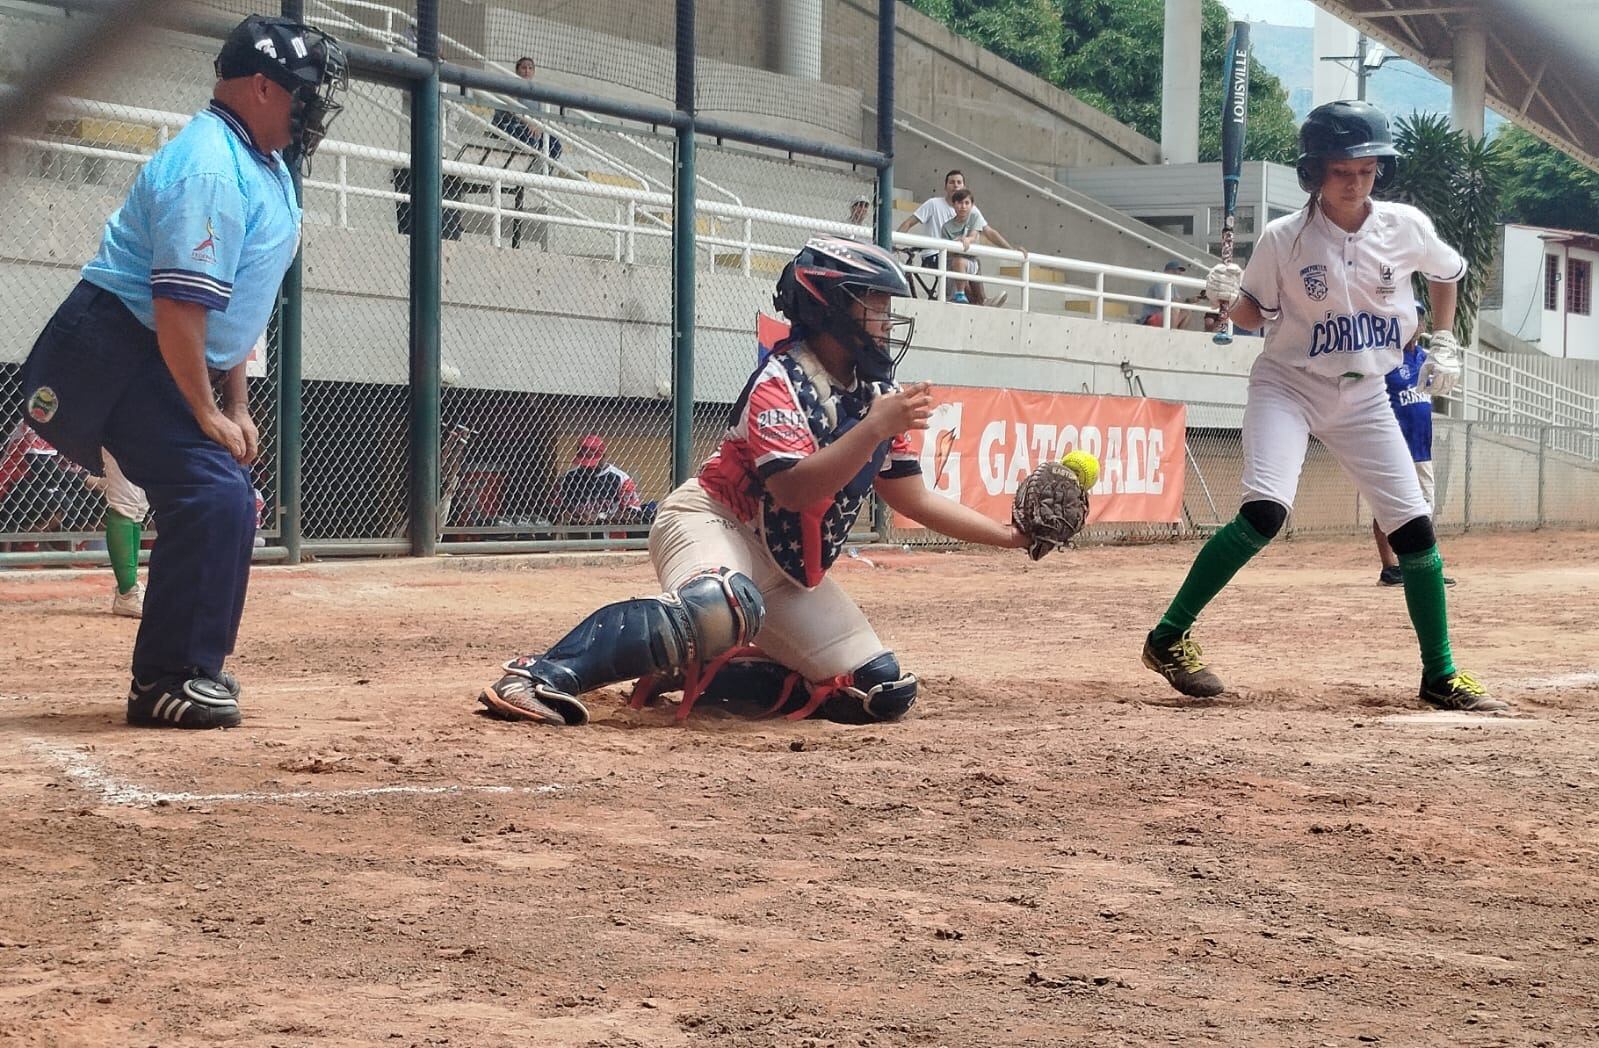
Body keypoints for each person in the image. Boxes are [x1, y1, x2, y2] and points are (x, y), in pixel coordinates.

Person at [478, 236, 1032, 727]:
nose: (885, 320)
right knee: (720, 601)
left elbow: (913, 496)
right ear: (831, 308)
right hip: (712, 520)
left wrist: (1010, 536)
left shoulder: (875, 394)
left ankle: (709, 662)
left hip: (786, 567)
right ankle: (539, 675)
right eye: (874, 304)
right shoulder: (781, 381)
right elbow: (793, 489)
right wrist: (873, 429)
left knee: (877, 690)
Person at [20, 14, 348, 729]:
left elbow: (238, 302)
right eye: (301, 92)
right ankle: (165, 680)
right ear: (261, 87)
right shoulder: (210, 164)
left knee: (229, 496)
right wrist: (205, 413)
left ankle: (191, 668)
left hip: (164, 350)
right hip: (112, 350)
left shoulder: (263, 163)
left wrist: (238, 402)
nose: (310, 108)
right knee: (211, 494)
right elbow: (178, 307)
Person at [1138, 100, 1505, 714]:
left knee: (1413, 527)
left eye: (1366, 168)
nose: (1356, 180)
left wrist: (1443, 339)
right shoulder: (1285, 239)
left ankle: (1440, 674)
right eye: (1341, 170)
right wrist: (1225, 297)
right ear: (1315, 173)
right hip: (1289, 384)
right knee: (1264, 514)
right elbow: (1255, 313)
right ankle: (1168, 638)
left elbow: (1448, 272)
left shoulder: (1405, 225)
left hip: (1365, 393)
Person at [1374, 305, 1456, 587]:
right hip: (1393, 446)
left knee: (1425, 508)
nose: (1417, 323)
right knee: (1386, 506)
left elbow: (1437, 388)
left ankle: (1425, 566)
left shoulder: (1424, 359)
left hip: (1422, 447)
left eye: (1420, 318)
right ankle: (1389, 567)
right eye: (1410, 317)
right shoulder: (1385, 358)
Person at [896, 170, 1019, 307]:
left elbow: (989, 232)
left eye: (959, 182)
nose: (955, 185)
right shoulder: (933, 204)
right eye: (951, 182)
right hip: (933, 256)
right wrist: (893, 242)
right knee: (959, 262)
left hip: (960, 253)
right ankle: (980, 302)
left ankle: (980, 301)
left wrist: (1011, 250)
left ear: (964, 186)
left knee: (970, 260)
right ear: (945, 186)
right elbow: (908, 223)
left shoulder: (971, 210)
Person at [82, 451, 151, 617]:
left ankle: (130, 587)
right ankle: (127, 591)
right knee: (126, 503)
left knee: (140, 505)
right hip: (123, 433)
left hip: (150, 435)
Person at [551, 434, 643, 526]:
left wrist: (600, 517)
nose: (588, 467)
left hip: (610, 534)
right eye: (584, 463)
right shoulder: (567, 478)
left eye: (592, 463)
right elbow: (553, 508)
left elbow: (633, 514)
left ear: (603, 456)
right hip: (576, 534)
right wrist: (567, 515)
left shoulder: (621, 479)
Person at [491, 56, 561, 161]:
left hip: (529, 126)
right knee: (531, 139)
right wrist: (529, 123)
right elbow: (512, 109)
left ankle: (545, 172)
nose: (527, 71)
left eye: (530, 68)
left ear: (533, 72)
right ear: (517, 70)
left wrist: (538, 127)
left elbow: (540, 116)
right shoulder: (513, 85)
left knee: (555, 145)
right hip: (509, 124)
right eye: (524, 68)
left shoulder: (535, 91)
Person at [1140, 260, 1189, 325]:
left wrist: (1190, 300)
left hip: (1164, 317)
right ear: (1169, 270)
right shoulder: (1160, 282)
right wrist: (1182, 301)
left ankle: (1177, 332)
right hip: (1150, 318)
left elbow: (1178, 300)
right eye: (1177, 270)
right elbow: (1163, 300)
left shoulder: (1172, 286)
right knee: (1173, 309)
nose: (1179, 273)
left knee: (1187, 311)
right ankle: (1171, 333)